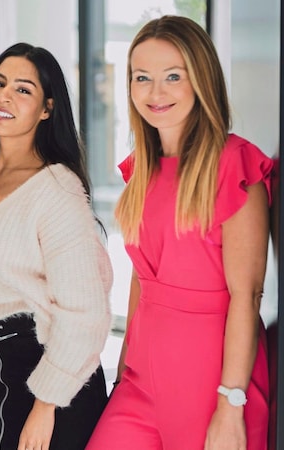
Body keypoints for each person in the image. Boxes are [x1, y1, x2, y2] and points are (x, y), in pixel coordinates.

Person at [85, 15, 272, 450]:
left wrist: (231, 404)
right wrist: (125, 363)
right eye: (142, 77)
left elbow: (247, 296)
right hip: (140, 377)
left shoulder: (235, 164)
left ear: (201, 79)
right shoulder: (142, 170)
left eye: (173, 76)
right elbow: (140, 278)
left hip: (211, 380)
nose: (155, 92)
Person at [0, 42, 114, 450]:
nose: (4, 96)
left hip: (45, 368)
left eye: (23, 89)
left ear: (47, 108)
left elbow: (86, 312)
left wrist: (45, 405)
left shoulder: (57, 189)